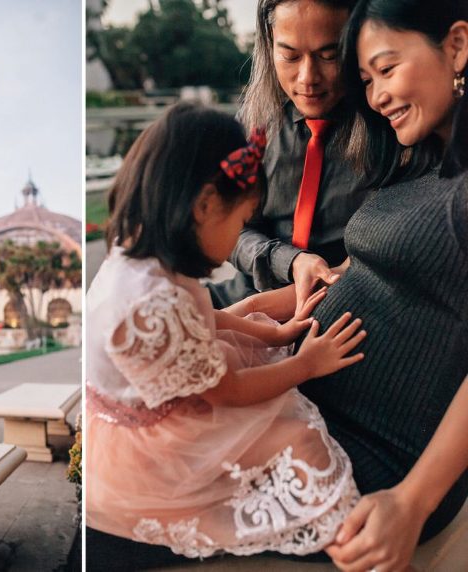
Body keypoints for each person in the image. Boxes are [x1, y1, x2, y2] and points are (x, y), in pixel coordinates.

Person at [87, 103, 367, 559]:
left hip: (167, 390)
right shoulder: (145, 304)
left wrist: (272, 335)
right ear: (204, 206)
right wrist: (305, 364)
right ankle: (355, 550)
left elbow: (204, 318)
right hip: (156, 443)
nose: (239, 236)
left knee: (255, 327)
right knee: (299, 442)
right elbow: (228, 390)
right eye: (240, 223)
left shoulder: (142, 257)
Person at [260, 1, 466, 569]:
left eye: (386, 68)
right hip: (304, 412)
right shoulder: (419, 158)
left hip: (376, 458)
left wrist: (412, 500)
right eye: (367, 79)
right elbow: (358, 271)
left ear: (457, 47)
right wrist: (244, 317)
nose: (374, 96)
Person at [211, 0, 368, 311]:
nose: (308, 78)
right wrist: (290, 261)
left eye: (329, 55)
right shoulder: (253, 124)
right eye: (290, 56)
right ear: (269, 46)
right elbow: (229, 229)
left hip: (339, 304)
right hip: (248, 291)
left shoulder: (388, 132)